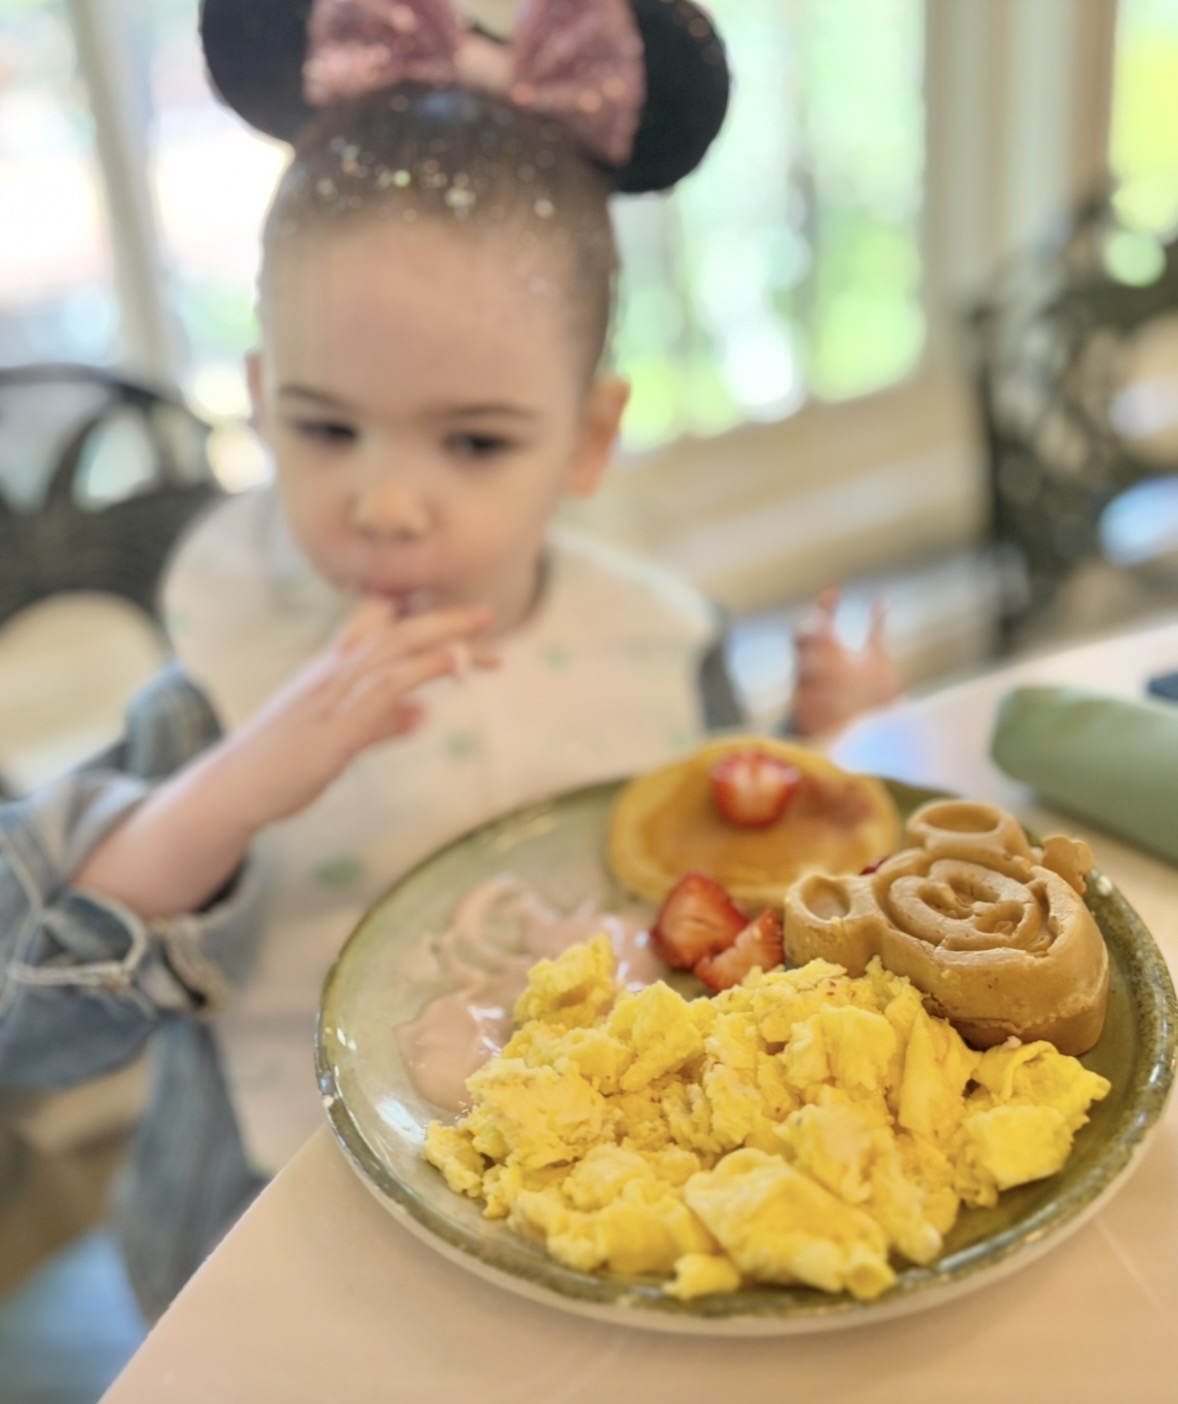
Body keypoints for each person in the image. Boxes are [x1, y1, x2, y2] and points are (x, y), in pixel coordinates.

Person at [0, 0, 898, 1318]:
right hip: (283, 1258)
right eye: (326, 430)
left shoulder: (661, 646)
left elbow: (719, 886)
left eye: (473, 442)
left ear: (587, 439)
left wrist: (821, 747)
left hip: (601, 1228)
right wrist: (236, 787)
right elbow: (30, 1025)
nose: (387, 505)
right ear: (261, 401)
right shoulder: (216, 693)